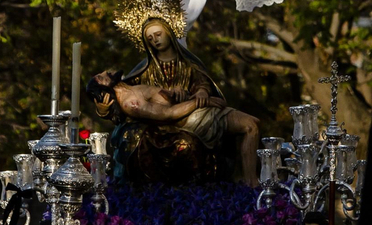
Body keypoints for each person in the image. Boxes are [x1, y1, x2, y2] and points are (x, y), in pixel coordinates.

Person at [87, 69, 260, 181]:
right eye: (102, 77)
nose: (107, 72)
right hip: (193, 118)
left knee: (253, 125)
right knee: (251, 126)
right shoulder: (129, 102)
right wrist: (201, 102)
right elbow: (168, 114)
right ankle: (252, 185)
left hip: (194, 109)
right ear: (103, 90)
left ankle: (251, 182)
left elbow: (172, 94)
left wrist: (180, 92)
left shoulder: (129, 86)